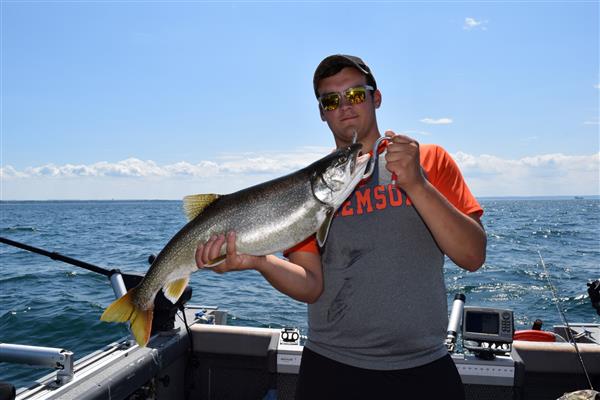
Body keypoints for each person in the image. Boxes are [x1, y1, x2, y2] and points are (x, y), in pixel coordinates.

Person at [195, 54, 487, 399]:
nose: (345, 106)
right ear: (321, 112)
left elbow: (472, 256)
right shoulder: (305, 192)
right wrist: (256, 261)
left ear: (376, 98)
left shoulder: (428, 159)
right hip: (330, 368)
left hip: (423, 367)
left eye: (356, 95)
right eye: (331, 100)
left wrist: (418, 185)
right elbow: (310, 285)